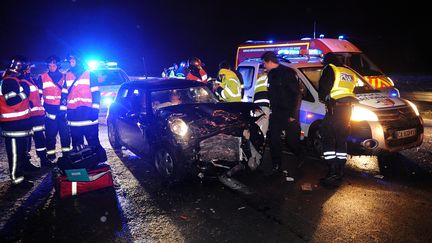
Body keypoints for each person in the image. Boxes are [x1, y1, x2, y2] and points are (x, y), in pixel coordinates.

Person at [318, 53, 358, 188]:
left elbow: (323, 89)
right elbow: (353, 89)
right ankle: (340, 170)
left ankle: (332, 171)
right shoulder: (348, 70)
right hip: (348, 110)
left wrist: (325, 98)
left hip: (334, 109)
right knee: (341, 139)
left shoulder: (330, 68)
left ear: (327, 60)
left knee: (327, 138)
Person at [261, 51, 304, 178]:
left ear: (269, 61)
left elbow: (296, 94)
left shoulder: (287, 73)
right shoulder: (271, 75)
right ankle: (276, 166)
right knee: (274, 139)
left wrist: (292, 114)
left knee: (291, 141)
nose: (264, 66)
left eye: (264, 63)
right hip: (276, 112)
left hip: (288, 113)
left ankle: (301, 156)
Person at [63, 52, 107, 163]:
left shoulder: (90, 74)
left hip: (88, 116)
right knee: (77, 145)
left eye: (72, 59)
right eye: (70, 59)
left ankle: (100, 165)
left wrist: (95, 110)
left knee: (93, 143)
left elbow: (96, 94)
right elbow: (64, 92)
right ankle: (82, 165)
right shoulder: (67, 75)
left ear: (79, 60)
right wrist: (63, 104)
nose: (70, 61)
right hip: (74, 117)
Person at [0, 56, 34, 188]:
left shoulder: (14, 80)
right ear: (21, 67)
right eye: (27, 67)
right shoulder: (9, 81)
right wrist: (25, 91)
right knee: (15, 154)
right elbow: (11, 100)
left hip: (19, 124)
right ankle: (17, 180)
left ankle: (21, 174)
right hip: (13, 125)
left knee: (20, 153)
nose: (28, 70)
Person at [38, 55, 71, 162]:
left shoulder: (64, 77)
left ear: (58, 64)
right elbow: (39, 95)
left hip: (62, 112)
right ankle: (51, 156)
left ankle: (66, 155)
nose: (52, 66)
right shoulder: (42, 77)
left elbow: (67, 94)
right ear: (48, 65)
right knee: (50, 135)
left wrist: (64, 108)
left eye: (54, 63)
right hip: (49, 112)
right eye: (50, 64)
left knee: (65, 135)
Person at [20, 61, 51, 167]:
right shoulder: (23, 81)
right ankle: (26, 163)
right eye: (28, 68)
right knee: (27, 141)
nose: (30, 70)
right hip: (29, 116)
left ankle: (43, 159)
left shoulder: (30, 80)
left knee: (40, 139)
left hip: (37, 116)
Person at [253, 69, 270, 137]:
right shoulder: (268, 78)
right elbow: (271, 89)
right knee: (265, 119)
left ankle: (255, 136)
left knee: (258, 120)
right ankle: (263, 137)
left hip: (257, 102)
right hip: (265, 101)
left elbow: (255, 92)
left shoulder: (259, 79)